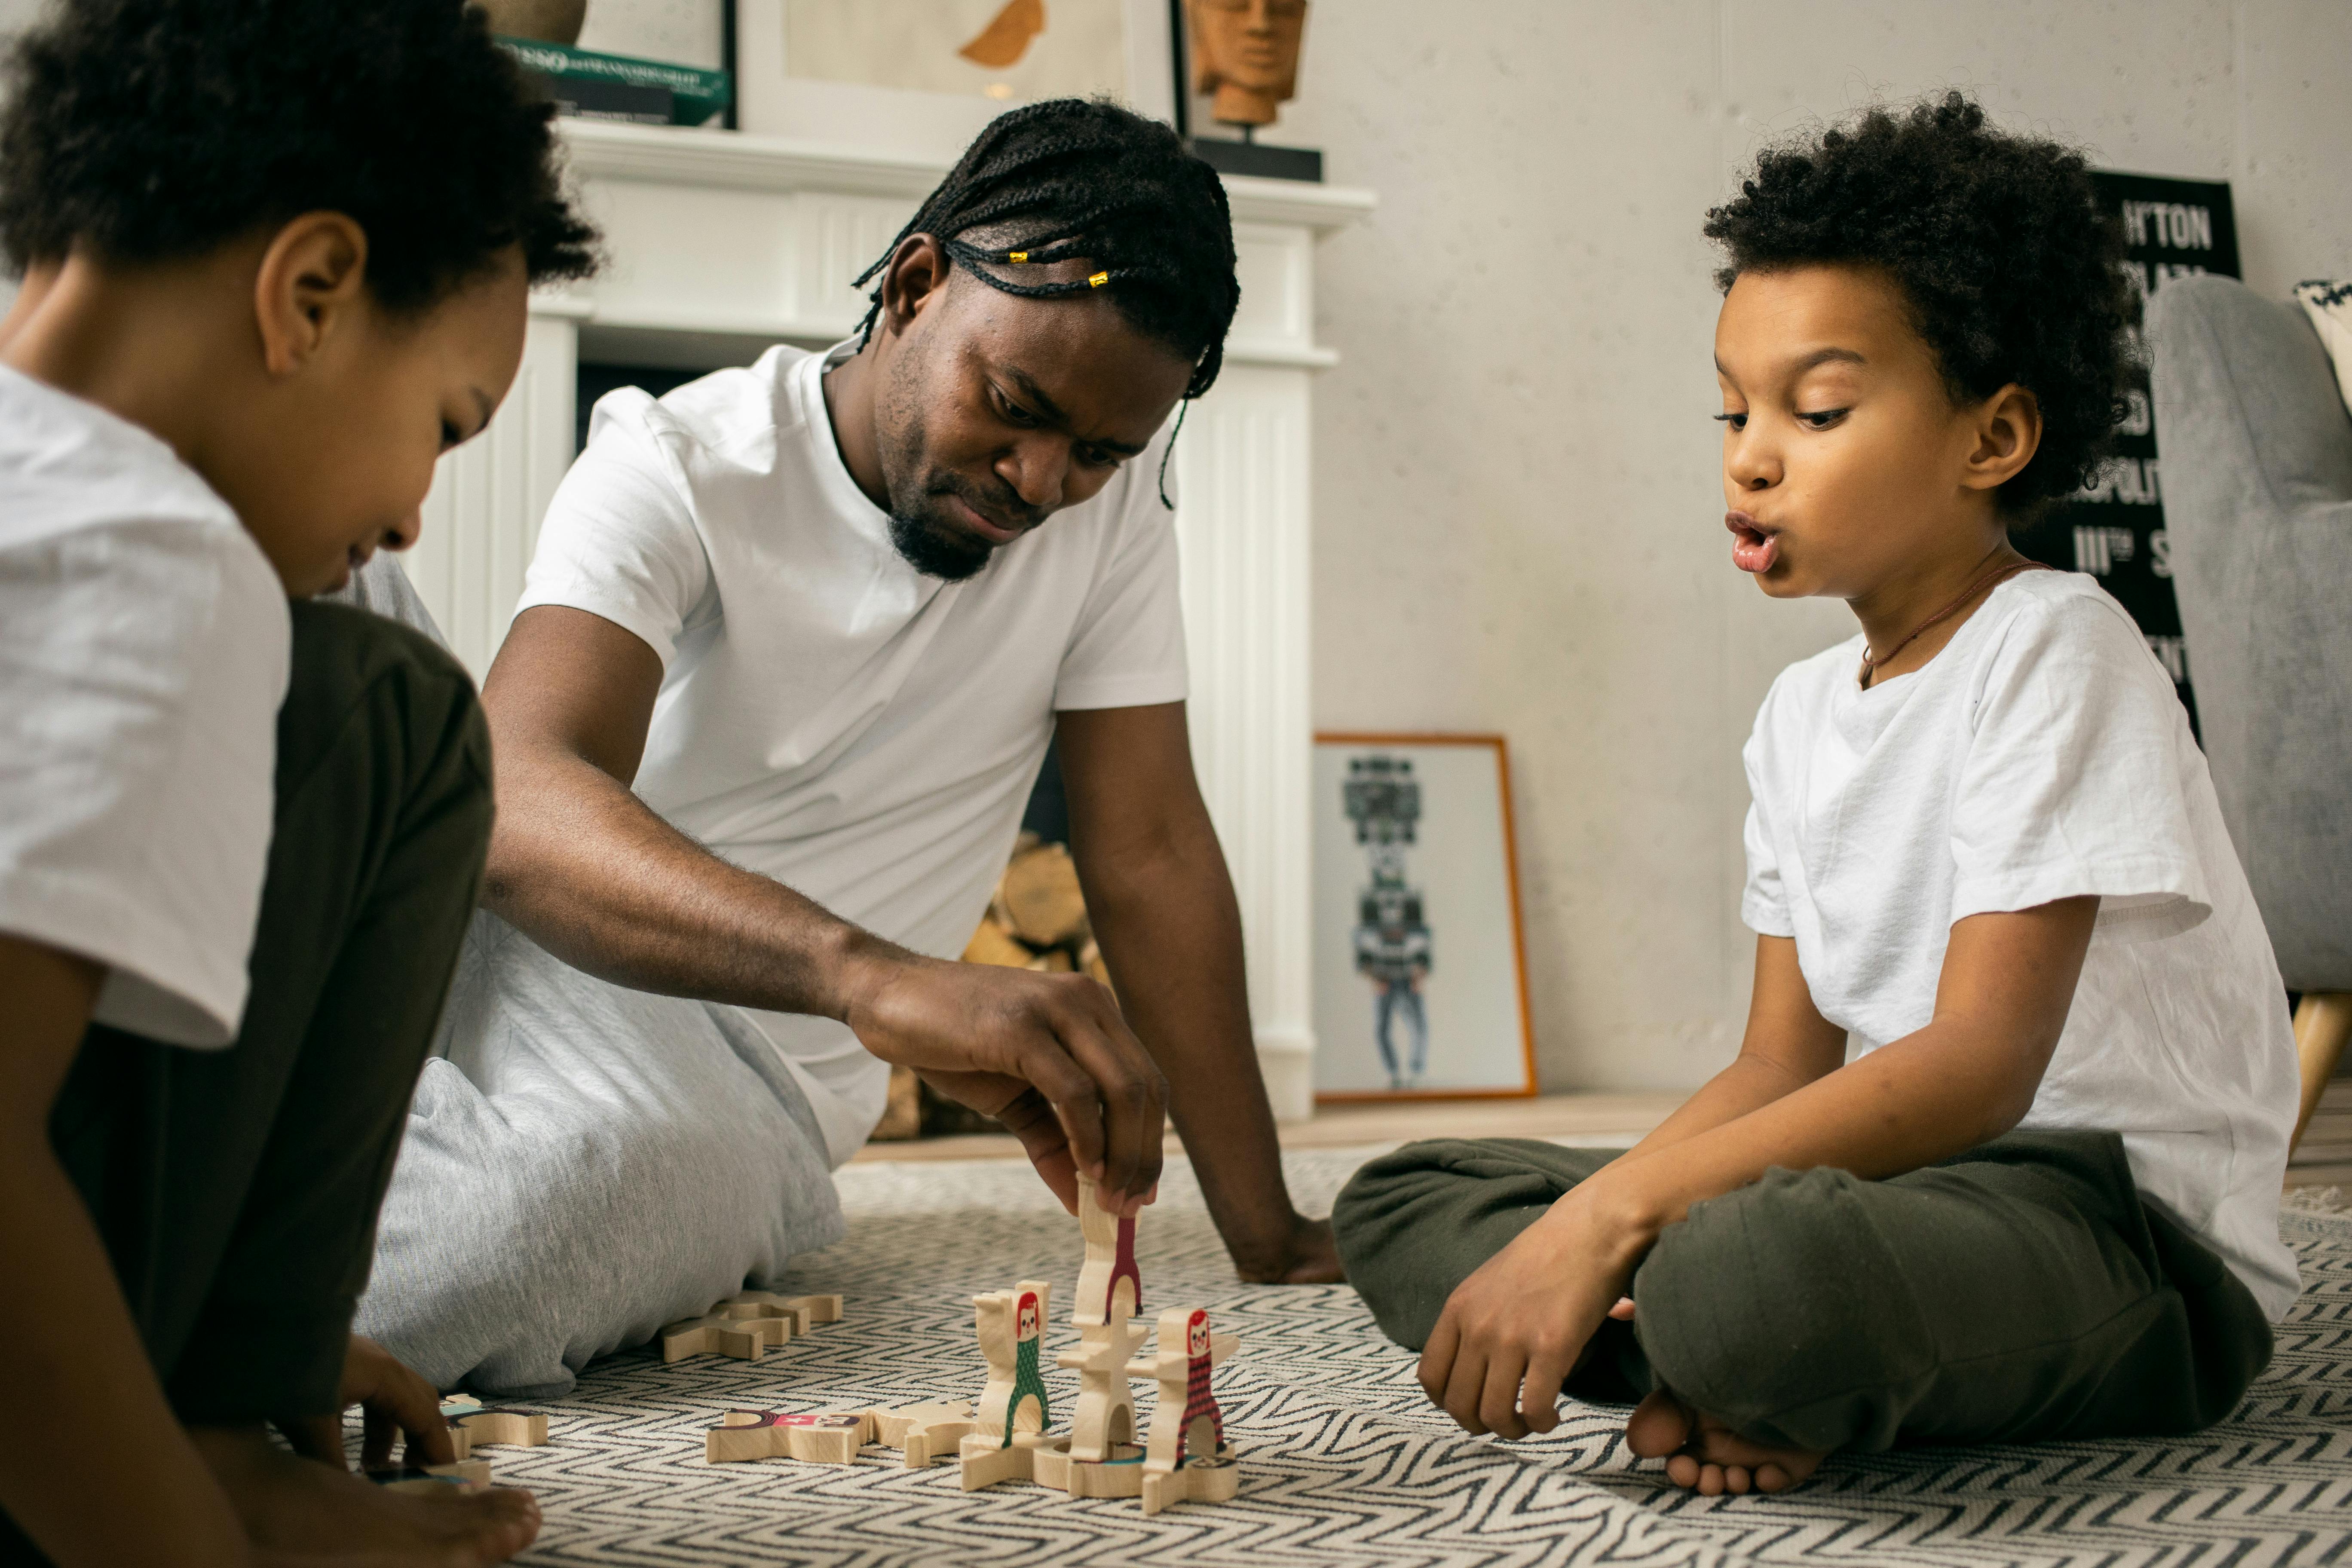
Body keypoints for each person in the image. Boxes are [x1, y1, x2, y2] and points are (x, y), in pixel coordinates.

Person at [1333, 94, 2299, 1496]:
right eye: (1732, 408)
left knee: (1748, 1267)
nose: (1750, 453)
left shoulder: (2058, 646)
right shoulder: (1799, 716)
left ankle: (1737, 1341)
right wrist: (1584, 1232)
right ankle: (1725, 1359)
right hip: (1898, 1204)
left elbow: (1982, 1066)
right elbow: (1778, 1069)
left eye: (1818, 408)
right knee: (1411, 1198)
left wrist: (1623, 1221)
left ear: (1995, 437)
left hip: (2121, 1233)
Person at [356, 98, 1341, 1399]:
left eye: (1100, 453)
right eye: (1015, 405)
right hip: (513, 932)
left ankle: (228, 1221)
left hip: (740, 1081)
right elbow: (514, 795)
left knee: (486, 1254)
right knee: (317, 592)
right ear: (918, 286)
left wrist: (1263, 1225)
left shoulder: (1107, 533)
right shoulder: (682, 460)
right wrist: (867, 975)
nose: (1043, 484)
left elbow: (1151, 850)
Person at [0, 2, 598, 1562]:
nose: (410, 519)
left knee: (372, 699)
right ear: (313, 293)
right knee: (398, 709)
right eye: (447, 427)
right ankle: (203, 1441)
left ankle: (208, 1394)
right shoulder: (140, 548)